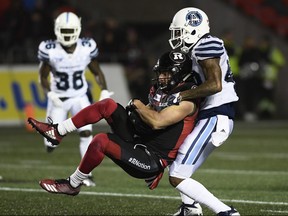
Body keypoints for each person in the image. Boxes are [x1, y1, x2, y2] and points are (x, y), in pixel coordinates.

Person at [28, 51, 201, 195]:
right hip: (142, 139)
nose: (161, 77)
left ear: (179, 73)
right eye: (160, 73)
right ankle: (58, 131)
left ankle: (73, 184)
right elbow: (150, 112)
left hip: (152, 159)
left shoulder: (187, 98)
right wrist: (138, 113)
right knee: (107, 105)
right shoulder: (163, 90)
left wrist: (137, 104)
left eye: (166, 73)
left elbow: (157, 122)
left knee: (101, 140)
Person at [168, 7, 240, 216]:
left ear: (193, 29)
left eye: (180, 32)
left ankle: (226, 212)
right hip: (212, 114)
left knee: (177, 176)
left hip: (216, 116)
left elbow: (215, 84)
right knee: (175, 158)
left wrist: (180, 96)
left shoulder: (206, 44)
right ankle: (190, 208)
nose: (177, 37)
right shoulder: (198, 48)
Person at [37, 11, 114, 187]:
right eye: (63, 31)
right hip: (59, 98)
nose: (67, 35)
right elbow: (42, 76)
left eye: (70, 30)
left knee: (86, 133)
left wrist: (104, 90)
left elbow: (96, 71)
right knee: (52, 141)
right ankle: (50, 144)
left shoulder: (86, 46)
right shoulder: (50, 49)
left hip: (80, 96)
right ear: (57, 30)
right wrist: (50, 94)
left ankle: (87, 174)